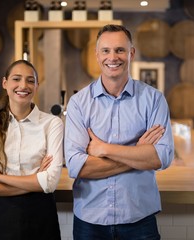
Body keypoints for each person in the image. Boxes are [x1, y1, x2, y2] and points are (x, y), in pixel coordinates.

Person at [65, 24, 174, 240]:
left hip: (139, 217)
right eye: (106, 50)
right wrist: (137, 152)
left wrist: (103, 149)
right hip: (90, 220)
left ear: (131, 53)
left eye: (120, 50)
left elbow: (162, 156)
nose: (113, 57)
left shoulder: (153, 100)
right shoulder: (78, 103)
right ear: (97, 55)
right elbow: (77, 166)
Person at [0, 60, 63, 240]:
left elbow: (50, 182)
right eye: (16, 79)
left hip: (42, 219)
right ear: (5, 83)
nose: (23, 85)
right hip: (3, 220)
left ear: (36, 86)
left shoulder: (52, 123)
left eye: (30, 80)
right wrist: (35, 181)